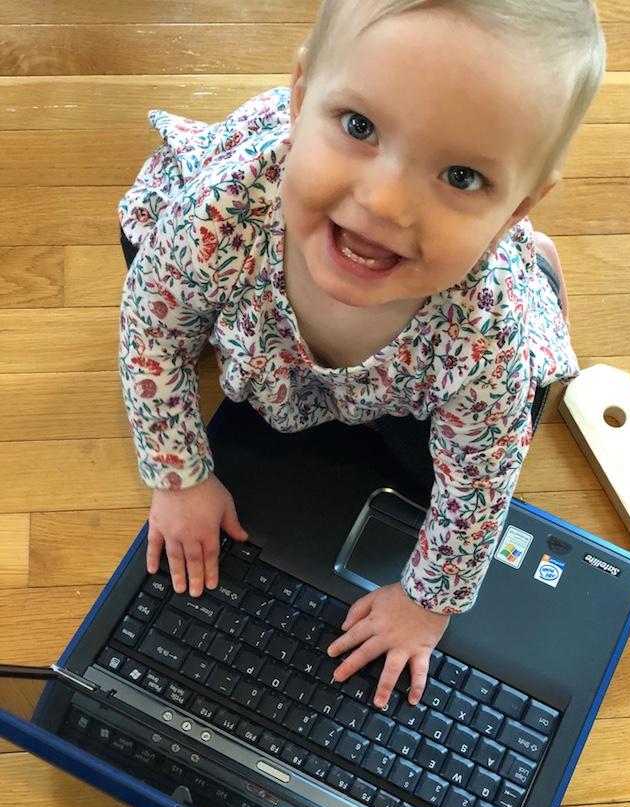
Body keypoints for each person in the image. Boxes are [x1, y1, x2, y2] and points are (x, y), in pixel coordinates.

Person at [118, 0, 605, 709]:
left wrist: (427, 602)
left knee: (467, 447)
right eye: (360, 127)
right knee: (146, 261)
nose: (385, 202)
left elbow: (478, 485)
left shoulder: (486, 328)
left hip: (414, 367)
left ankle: (536, 269)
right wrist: (179, 475)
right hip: (262, 310)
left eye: (462, 176)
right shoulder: (225, 205)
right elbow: (151, 328)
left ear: (516, 209)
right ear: (302, 95)